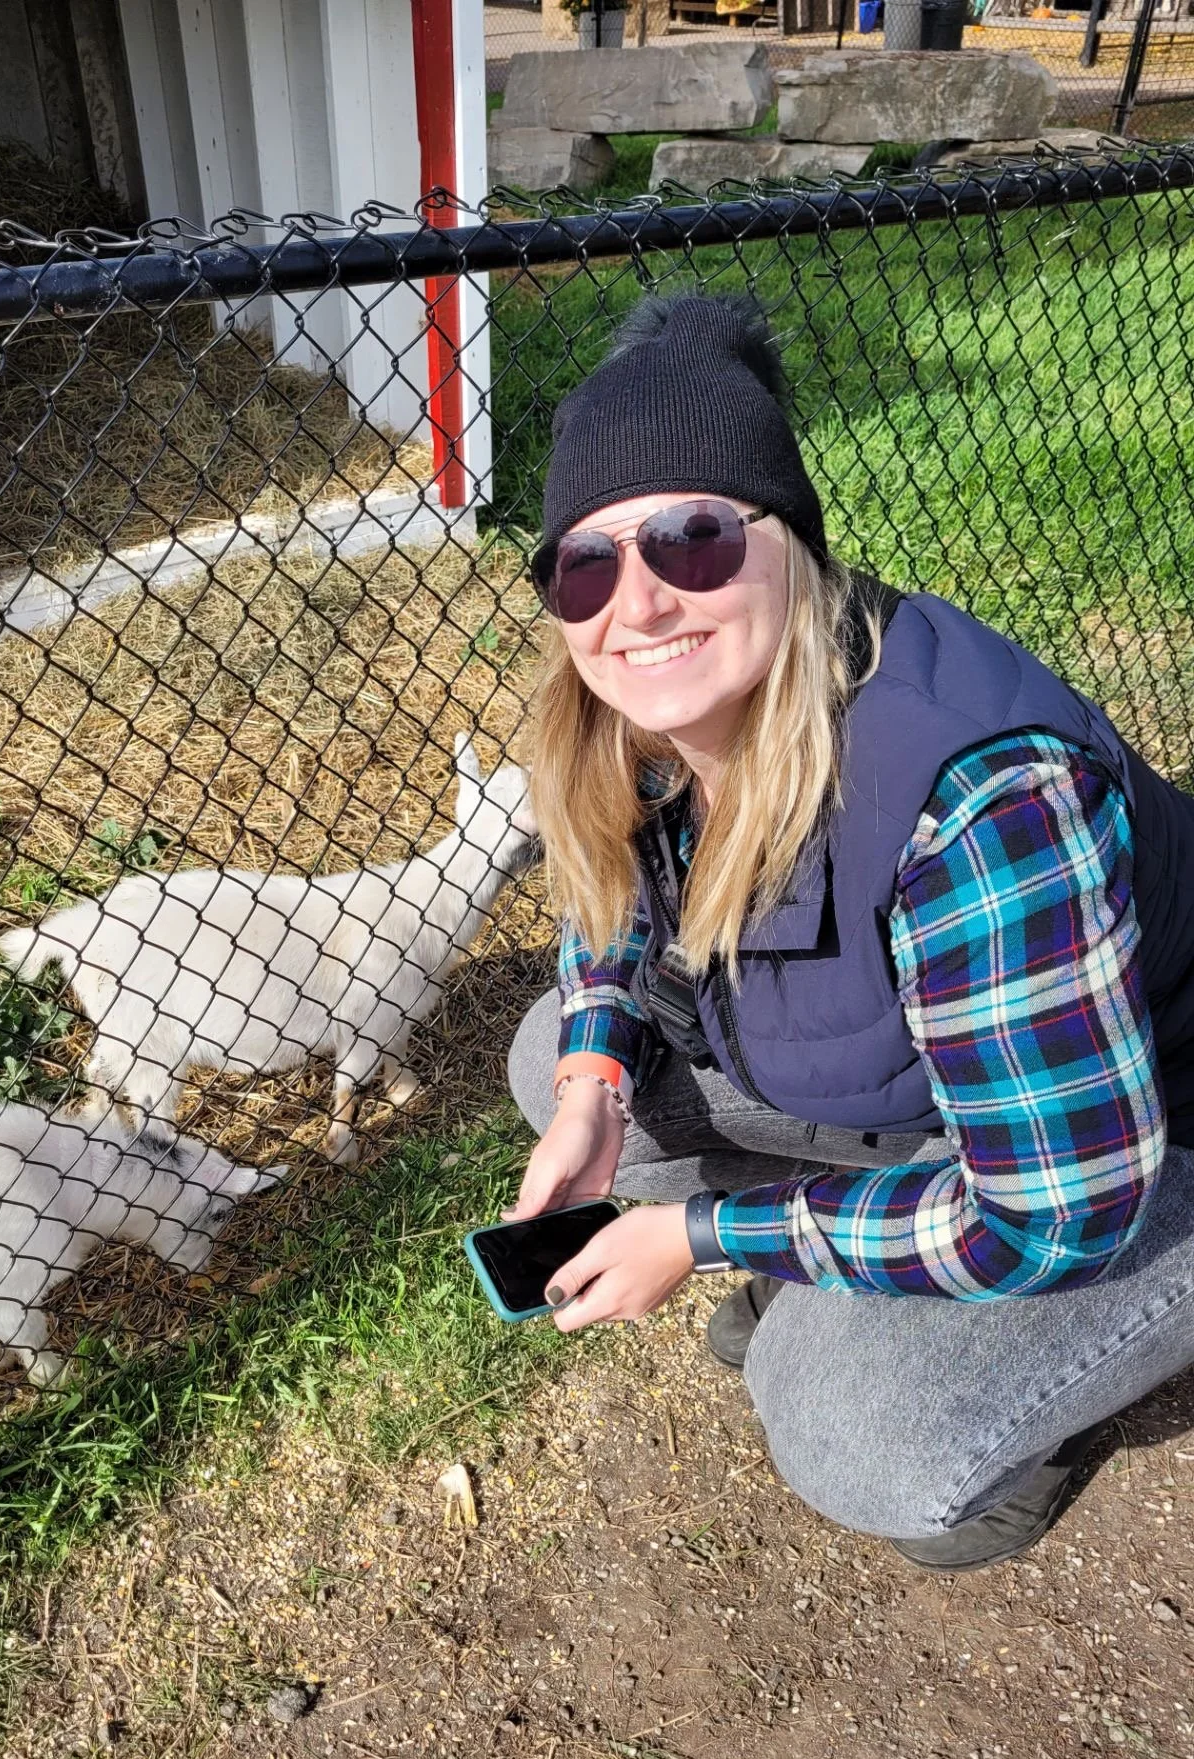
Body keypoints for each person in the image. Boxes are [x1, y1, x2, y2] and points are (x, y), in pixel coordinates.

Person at [505, 291, 1194, 1573]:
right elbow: (604, 913)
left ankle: (1003, 1420)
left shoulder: (977, 797)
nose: (639, 603)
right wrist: (594, 1083)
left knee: (849, 1430)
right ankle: (853, 1238)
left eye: (694, 539)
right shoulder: (642, 715)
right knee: (549, 1047)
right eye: (585, 564)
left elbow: (1055, 1213)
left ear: (794, 544)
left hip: (1127, 1144)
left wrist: (706, 1235)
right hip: (968, 1081)